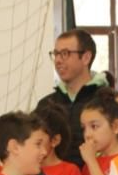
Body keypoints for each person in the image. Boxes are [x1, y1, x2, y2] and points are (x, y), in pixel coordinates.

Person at [36, 28, 110, 166]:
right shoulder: (46, 104)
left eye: (65, 54)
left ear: (86, 58)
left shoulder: (107, 100)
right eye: (56, 54)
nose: (58, 60)